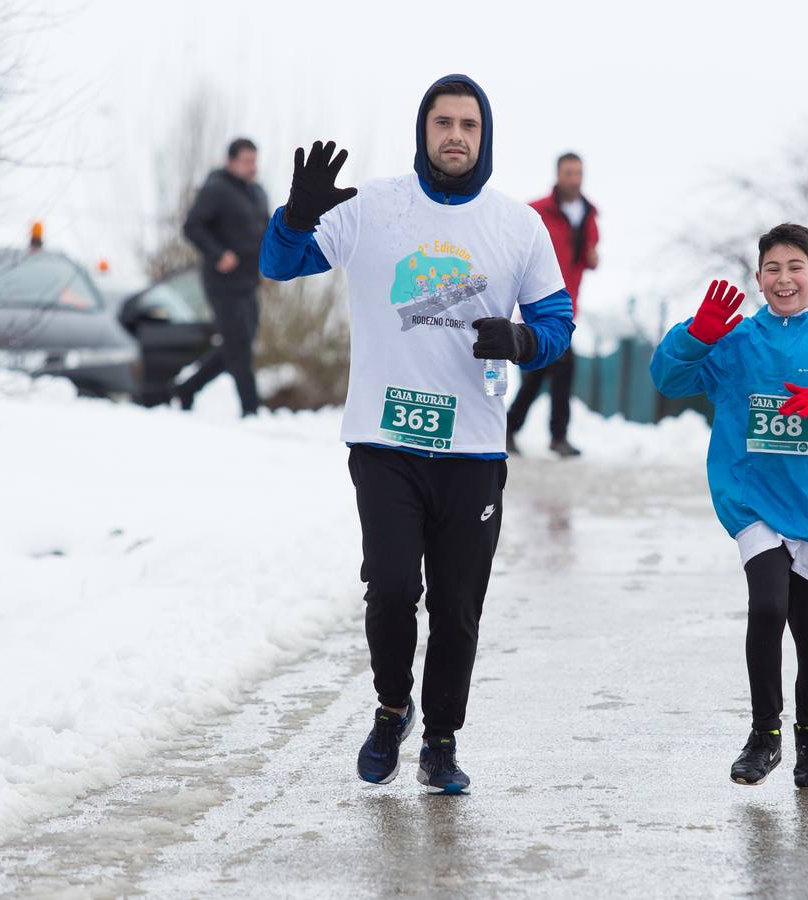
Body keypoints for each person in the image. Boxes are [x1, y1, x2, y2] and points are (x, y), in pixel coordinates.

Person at [259, 75, 574, 794]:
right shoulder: (372, 206)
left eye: (468, 123)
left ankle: (439, 740)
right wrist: (294, 217)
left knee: (457, 604)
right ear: (423, 130)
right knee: (393, 587)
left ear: (483, 134)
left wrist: (525, 341)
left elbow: (558, 324)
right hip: (384, 437)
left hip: (472, 447)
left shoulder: (517, 225)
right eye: (442, 122)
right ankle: (390, 707)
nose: (455, 135)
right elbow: (278, 266)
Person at [649, 224, 808, 789]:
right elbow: (669, 378)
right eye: (772, 269)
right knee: (767, 608)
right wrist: (696, 335)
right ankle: (765, 732)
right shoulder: (737, 341)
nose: (783, 278)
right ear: (758, 279)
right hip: (752, 498)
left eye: (794, 267)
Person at [506, 152, 598, 457]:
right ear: (558, 175)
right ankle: (555, 435)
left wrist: (592, 258)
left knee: (544, 372)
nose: (574, 179)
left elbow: (588, 255)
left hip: (567, 306)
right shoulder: (537, 211)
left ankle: (511, 428)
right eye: (569, 173)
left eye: (579, 173)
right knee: (561, 365)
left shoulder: (588, 214)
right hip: (537, 304)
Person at [176, 137, 270, 415]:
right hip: (222, 283)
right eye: (246, 161)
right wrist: (218, 254)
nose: (252, 166)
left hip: (249, 281)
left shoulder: (258, 193)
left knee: (237, 345)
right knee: (239, 347)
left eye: (254, 161)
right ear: (231, 162)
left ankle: (187, 388)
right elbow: (192, 226)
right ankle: (251, 411)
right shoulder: (216, 189)